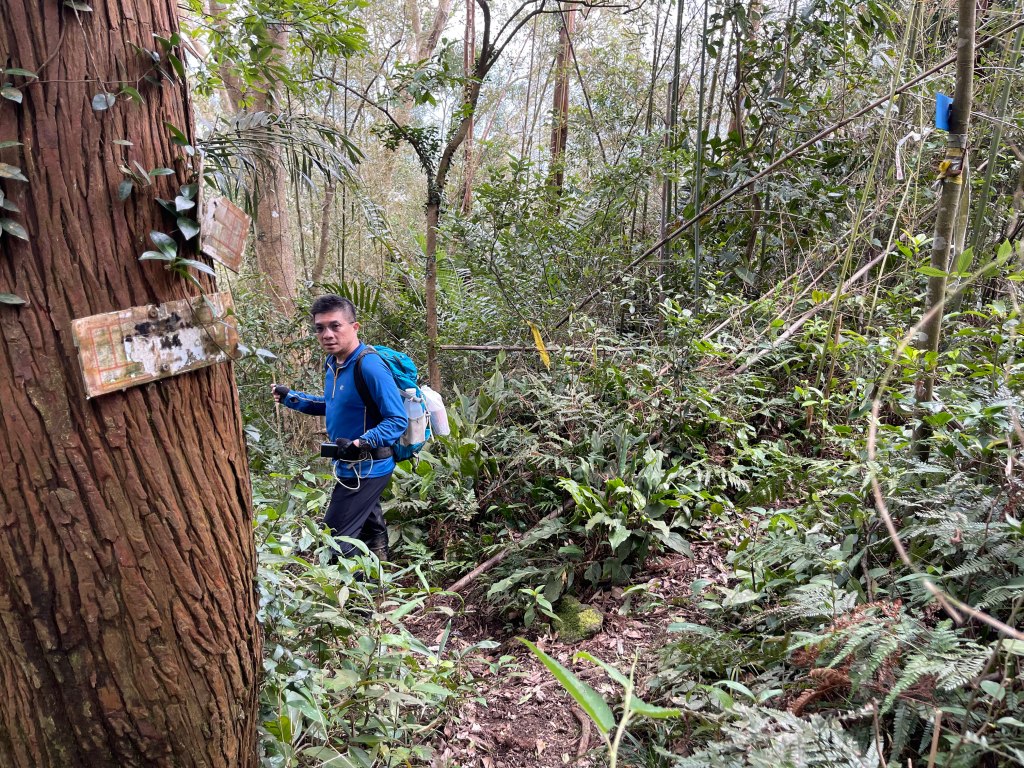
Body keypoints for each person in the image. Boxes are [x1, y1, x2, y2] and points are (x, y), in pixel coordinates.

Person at [272, 295, 408, 562]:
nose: (327, 334)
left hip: (368, 466)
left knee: (334, 537)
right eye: (320, 328)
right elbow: (334, 404)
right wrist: (292, 398)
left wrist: (361, 442)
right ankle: (378, 572)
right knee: (369, 525)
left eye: (335, 326)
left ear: (354, 327)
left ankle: (350, 583)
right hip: (350, 464)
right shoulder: (334, 363)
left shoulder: (369, 366)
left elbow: (397, 419)